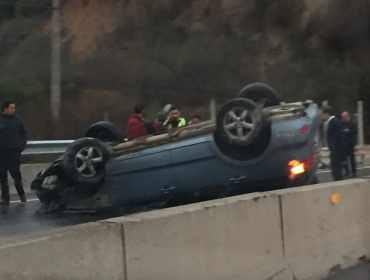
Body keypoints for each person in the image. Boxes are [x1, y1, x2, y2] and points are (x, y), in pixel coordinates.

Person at [0, 101, 27, 205]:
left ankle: (21, 192)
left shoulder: (18, 120)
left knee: (15, 172)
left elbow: (23, 133)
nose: (13, 109)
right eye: (11, 108)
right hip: (2, 151)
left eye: (14, 108)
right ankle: (5, 198)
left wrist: (21, 146)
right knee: (2, 174)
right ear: (5, 109)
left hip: (14, 151)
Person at [320, 106, 347, 181]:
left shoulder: (334, 122)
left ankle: (339, 183)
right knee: (334, 169)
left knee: (336, 169)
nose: (321, 116)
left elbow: (340, 137)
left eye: (322, 114)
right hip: (334, 149)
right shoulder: (331, 122)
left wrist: (341, 151)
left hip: (337, 150)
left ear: (327, 113)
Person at [341, 111, 358, 177]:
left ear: (347, 116)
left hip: (351, 142)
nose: (344, 118)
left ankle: (354, 171)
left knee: (352, 158)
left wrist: (349, 131)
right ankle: (347, 171)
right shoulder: (342, 123)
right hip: (344, 142)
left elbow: (355, 131)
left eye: (344, 117)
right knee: (344, 158)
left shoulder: (352, 122)